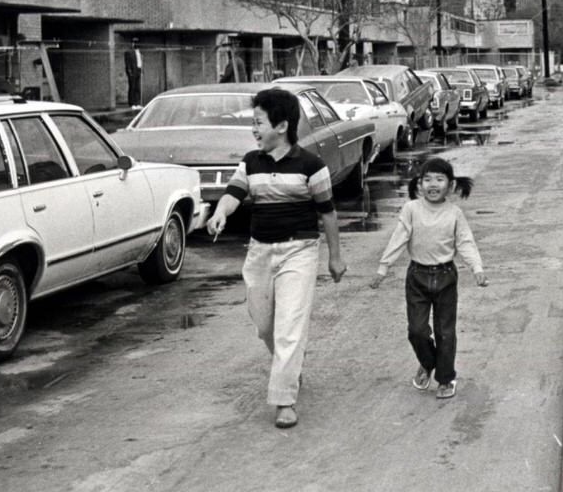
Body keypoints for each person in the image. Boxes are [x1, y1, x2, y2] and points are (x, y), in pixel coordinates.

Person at [206, 88, 346, 429]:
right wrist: (220, 213)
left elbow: (327, 214)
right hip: (259, 252)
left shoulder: (312, 166)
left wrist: (335, 258)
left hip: (299, 251)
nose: (254, 130)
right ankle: (291, 365)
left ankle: (285, 401)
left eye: (258, 123)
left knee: (288, 328)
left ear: (281, 125)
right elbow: (234, 193)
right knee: (264, 325)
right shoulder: (251, 161)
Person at [369, 157, 486, 400]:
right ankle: (428, 362)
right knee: (417, 331)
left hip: (445, 277)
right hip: (417, 277)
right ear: (419, 184)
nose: (433, 184)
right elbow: (399, 238)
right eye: (427, 179)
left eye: (440, 179)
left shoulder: (454, 213)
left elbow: (465, 242)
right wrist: (383, 267)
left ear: (450, 185)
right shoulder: (411, 209)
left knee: (445, 332)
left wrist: (477, 268)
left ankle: (446, 378)